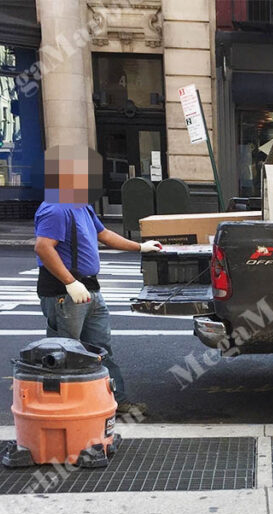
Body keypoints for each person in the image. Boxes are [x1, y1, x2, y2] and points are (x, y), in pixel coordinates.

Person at [33, 145, 162, 415]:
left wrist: (140, 247)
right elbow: (44, 247)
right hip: (65, 293)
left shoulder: (80, 206)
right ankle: (63, 408)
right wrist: (70, 282)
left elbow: (104, 235)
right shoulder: (56, 208)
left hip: (89, 289)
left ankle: (115, 401)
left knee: (101, 349)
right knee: (65, 353)